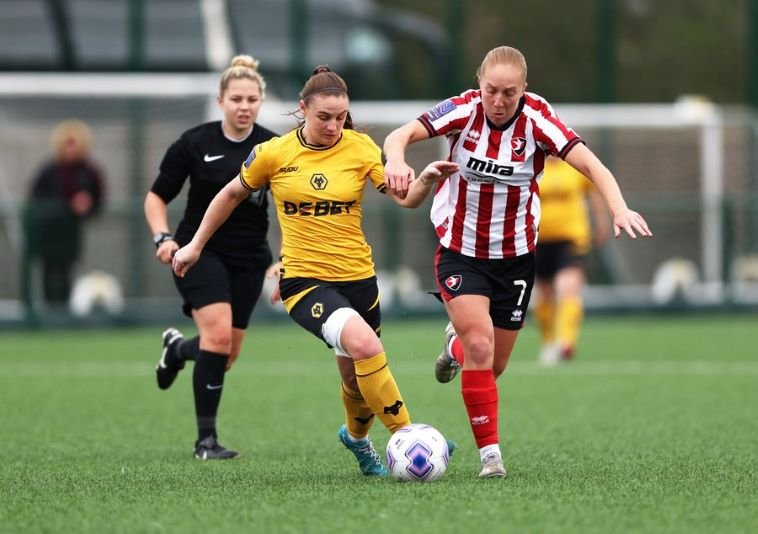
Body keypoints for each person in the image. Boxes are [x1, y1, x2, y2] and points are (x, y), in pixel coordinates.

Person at [172, 65, 459, 476]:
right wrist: (195, 245)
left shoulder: (360, 148)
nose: (333, 125)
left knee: (357, 380)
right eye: (324, 117)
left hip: (360, 280)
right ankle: (408, 435)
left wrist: (426, 179)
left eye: (340, 117)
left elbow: (406, 199)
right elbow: (232, 193)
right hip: (305, 282)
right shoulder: (274, 153)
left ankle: (358, 441)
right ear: (303, 109)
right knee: (366, 347)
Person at [383, 45, 653, 478]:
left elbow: (592, 166)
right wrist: (396, 160)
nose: (499, 100)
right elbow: (399, 136)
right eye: (492, 90)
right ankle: (491, 456)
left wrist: (618, 209)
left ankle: (454, 347)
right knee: (481, 345)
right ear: (480, 85)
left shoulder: (538, 119)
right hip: (461, 252)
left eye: (510, 92)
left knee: (492, 364)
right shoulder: (462, 110)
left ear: (524, 90)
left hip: (515, 257)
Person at [144, 55, 278, 460]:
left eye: (252, 99)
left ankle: (177, 350)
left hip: (251, 257)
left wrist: (288, 256)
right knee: (217, 338)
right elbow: (156, 197)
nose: (244, 106)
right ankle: (206, 441)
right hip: (198, 251)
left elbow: (294, 203)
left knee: (225, 355)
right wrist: (162, 238)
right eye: (236, 98)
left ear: (260, 101)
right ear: (220, 100)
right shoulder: (194, 143)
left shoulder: (274, 147)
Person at [534, 156, 611, 366]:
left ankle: (566, 342)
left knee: (567, 286)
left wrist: (602, 221)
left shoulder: (573, 165)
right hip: (536, 239)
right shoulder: (529, 163)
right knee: (544, 293)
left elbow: (593, 191)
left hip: (571, 237)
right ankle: (549, 342)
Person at [26, 119, 106, 306]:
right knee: (49, 272)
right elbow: (37, 199)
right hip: (48, 233)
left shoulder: (89, 172)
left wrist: (87, 205)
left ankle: (64, 311)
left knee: (66, 271)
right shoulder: (49, 171)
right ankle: (49, 310)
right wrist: (66, 204)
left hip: (71, 233)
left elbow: (98, 199)